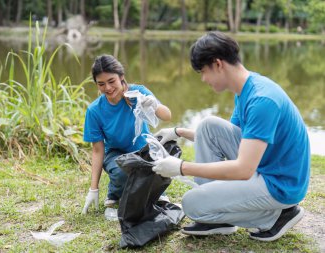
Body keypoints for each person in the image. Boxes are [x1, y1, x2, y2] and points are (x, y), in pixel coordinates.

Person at [153, 31, 310, 242]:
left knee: (192, 204)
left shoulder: (262, 100)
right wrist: (177, 132)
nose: (203, 79)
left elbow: (243, 169)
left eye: (203, 71)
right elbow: (231, 139)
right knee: (208, 125)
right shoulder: (245, 89)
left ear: (218, 64)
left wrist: (181, 167)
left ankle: (276, 216)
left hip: (281, 184)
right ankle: (218, 218)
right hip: (267, 164)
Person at [82, 54, 172, 214]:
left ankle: (156, 192)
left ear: (121, 77)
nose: (108, 88)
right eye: (101, 84)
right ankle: (115, 192)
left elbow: (167, 116)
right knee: (123, 174)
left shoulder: (139, 93)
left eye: (111, 81)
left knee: (160, 167)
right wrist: (93, 189)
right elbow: (97, 150)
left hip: (143, 149)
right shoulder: (94, 110)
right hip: (115, 154)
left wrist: (153, 105)